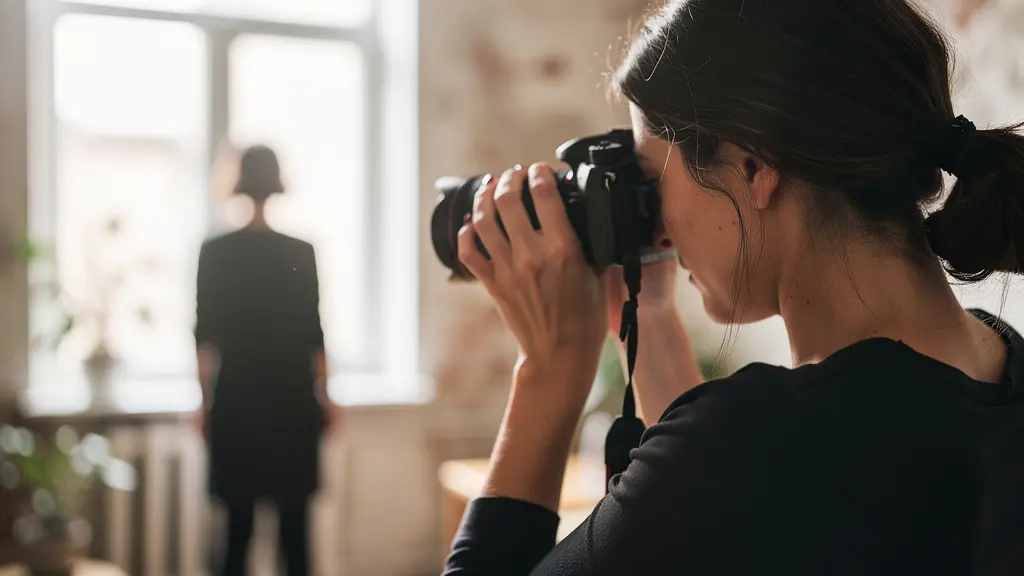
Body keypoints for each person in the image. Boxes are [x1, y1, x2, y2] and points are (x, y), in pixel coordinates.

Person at [442, 0, 1024, 574]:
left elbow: (728, 474)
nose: (658, 223)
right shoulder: (1004, 370)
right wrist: (648, 312)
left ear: (752, 165)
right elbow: (729, 516)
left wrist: (550, 368)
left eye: (654, 179)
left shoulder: (747, 445)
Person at [194, 145, 334, 576]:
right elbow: (315, 335)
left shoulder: (215, 252)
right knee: (296, 539)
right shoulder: (301, 251)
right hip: (293, 405)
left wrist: (204, 403)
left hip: (236, 404)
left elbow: (204, 338)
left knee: (235, 536)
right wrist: (326, 398)